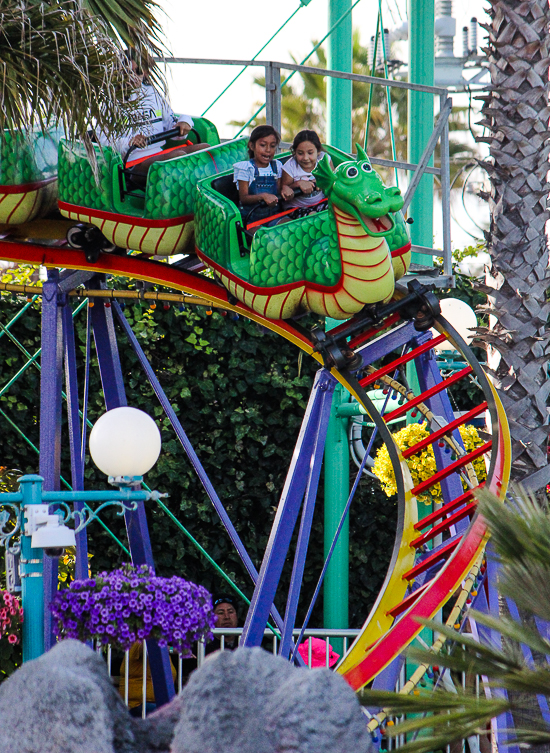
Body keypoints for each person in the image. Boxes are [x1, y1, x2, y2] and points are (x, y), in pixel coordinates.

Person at [97, 50, 209, 178]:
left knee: (206, 149)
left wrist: (185, 122)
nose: (133, 77)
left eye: (137, 71)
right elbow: (103, 141)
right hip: (132, 162)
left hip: (159, 153)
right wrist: (129, 142)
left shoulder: (152, 93)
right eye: (127, 72)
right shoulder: (109, 101)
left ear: (144, 72)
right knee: (177, 159)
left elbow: (171, 124)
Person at [233, 125, 294, 226]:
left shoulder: (277, 166)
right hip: (252, 219)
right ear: (252, 146)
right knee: (263, 239)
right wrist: (263, 196)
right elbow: (244, 198)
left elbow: (278, 191)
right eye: (263, 145)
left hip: (275, 215)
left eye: (272, 146)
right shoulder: (246, 168)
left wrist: (286, 189)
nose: (268, 150)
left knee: (292, 228)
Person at [119, 640, 177, 717]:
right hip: (137, 704)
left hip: (160, 703)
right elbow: (148, 647)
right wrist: (174, 650)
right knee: (170, 714)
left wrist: (177, 650)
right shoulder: (137, 644)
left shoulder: (164, 653)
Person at [281, 129, 331, 214]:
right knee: (312, 216)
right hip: (296, 208)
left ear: (318, 152)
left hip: (320, 203)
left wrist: (321, 181)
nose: (305, 158)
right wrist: (298, 184)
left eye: (310, 153)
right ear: (295, 152)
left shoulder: (324, 160)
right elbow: (284, 190)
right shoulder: (290, 167)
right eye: (300, 153)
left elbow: (332, 179)